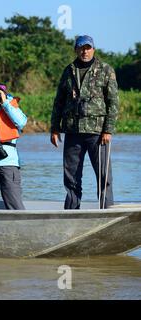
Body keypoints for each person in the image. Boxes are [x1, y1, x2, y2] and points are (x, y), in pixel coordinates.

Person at [50, 35, 119, 209]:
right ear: (76, 49)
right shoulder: (69, 70)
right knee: (71, 176)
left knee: (104, 175)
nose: (84, 51)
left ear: (93, 49)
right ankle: (72, 211)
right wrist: (54, 128)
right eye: (81, 48)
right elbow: (59, 101)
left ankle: (106, 210)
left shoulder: (105, 69)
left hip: (98, 133)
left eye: (88, 48)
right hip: (73, 132)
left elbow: (113, 102)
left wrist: (108, 130)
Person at [0, 82, 27, 210]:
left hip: (8, 161)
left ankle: (20, 224)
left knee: (13, 198)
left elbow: (21, 122)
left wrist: (5, 102)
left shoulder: (11, 106)